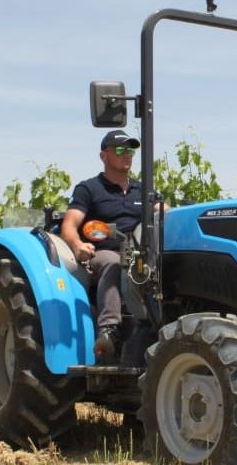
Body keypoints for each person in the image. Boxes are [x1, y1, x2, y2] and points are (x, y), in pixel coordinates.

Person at [61, 130, 142, 364]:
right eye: (120, 150)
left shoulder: (143, 190)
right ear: (103, 155)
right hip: (100, 254)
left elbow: (165, 214)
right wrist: (77, 245)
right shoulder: (89, 189)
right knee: (114, 262)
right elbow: (69, 225)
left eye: (130, 150)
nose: (127, 154)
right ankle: (109, 332)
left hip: (139, 254)